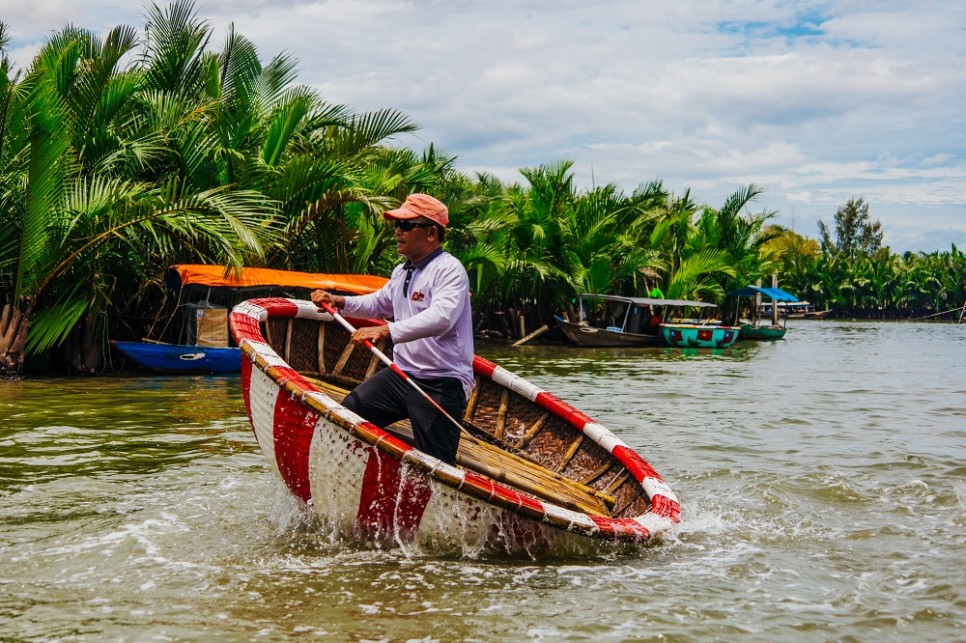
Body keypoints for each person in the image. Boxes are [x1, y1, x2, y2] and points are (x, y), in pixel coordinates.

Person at [310, 193, 474, 466]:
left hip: (441, 382)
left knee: (435, 468)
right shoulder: (403, 271)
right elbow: (378, 303)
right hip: (401, 375)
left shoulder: (449, 270)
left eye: (407, 226)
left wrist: (387, 331)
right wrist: (339, 302)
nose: (398, 232)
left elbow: (442, 317)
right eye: (397, 225)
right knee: (348, 416)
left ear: (431, 233)